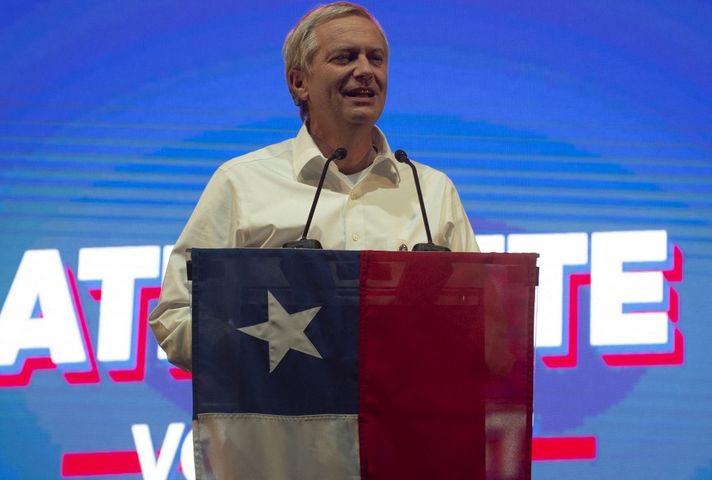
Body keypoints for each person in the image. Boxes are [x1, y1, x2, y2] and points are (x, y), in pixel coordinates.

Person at [149, 1, 479, 372]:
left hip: (396, 424)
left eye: (376, 58)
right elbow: (177, 314)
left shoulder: (431, 192)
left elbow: (488, 322)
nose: (365, 71)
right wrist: (261, 353)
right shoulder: (241, 183)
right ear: (299, 81)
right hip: (283, 423)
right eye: (344, 57)